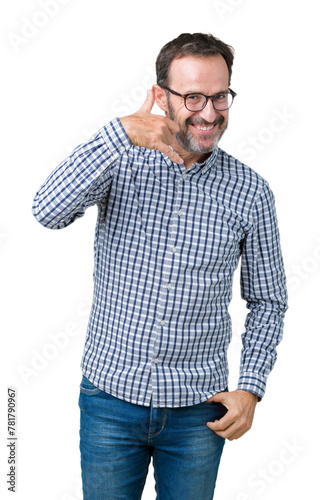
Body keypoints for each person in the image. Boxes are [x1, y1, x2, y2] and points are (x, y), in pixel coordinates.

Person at [32, 33, 288, 500]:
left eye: (220, 96)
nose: (209, 113)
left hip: (198, 413)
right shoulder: (120, 160)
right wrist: (119, 133)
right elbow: (47, 210)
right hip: (109, 401)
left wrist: (250, 387)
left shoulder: (251, 192)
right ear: (160, 96)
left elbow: (268, 300)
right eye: (193, 96)